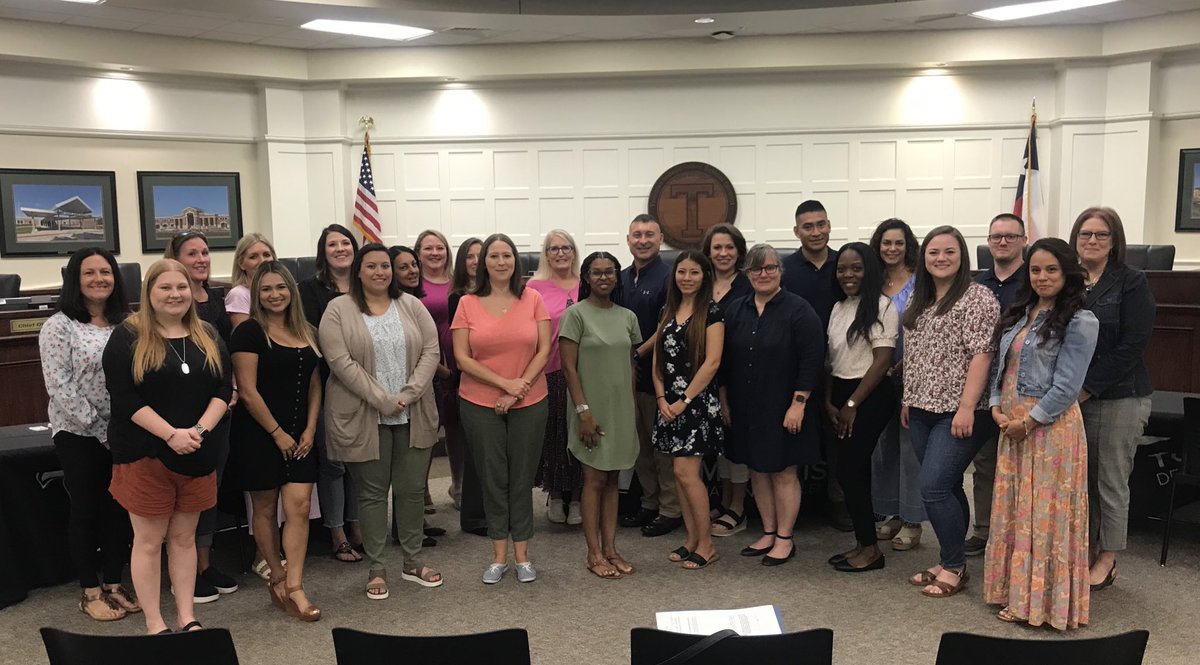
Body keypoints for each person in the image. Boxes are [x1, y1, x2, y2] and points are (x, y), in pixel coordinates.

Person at [102, 259, 233, 634]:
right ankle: (155, 622)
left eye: (181, 287)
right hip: (146, 455)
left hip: (196, 454)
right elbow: (123, 398)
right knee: (148, 541)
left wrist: (198, 431)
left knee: (183, 539)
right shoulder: (128, 335)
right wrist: (170, 435)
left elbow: (223, 388)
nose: (175, 294)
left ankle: (187, 616)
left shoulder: (206, 332)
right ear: (149, 292)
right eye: (165, 288)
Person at [983, 238, 1098, 630]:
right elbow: (1003, 366)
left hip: (1049, 431)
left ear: (1067, 272)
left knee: (1045, 517)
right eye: (1035, 270)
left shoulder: (1082, 320)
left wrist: (1028, 421)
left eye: (1051, 269)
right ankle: (1012, 591)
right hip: (1012, 426)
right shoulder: (1021, 314)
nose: (1043, 277)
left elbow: (1067, 387)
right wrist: (996, 406)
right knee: (1017, 512)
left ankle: (1042, 603)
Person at [319, 244, 444, 599]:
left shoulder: (411, 305)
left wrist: (408, 393)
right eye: (371, 266)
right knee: (372, 494)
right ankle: (376, 568)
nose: (379, 272)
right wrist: (382, 399)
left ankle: (413, 561)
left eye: (385, 266)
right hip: (364, 416)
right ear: (358, 270)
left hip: (413, 411)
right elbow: (339, 361)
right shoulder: (338, 309)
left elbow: (431, 351)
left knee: (410, 490)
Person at [40, 248, 139, 622]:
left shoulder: (127, 323)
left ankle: (114, 582)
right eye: (89, 273)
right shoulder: (59, 325)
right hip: (78, 434)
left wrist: (122, 430)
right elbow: (60, 386)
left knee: (119, 509)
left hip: (124, 432)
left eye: (106, 272)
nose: (99, 278)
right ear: (75, 280)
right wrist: (102, 432)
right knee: (86, 511)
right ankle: (91, 590)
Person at [902, 226, 999, 598]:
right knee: (948, 485)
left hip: (959, 412)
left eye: (949, 252)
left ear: (962, 258)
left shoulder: (978, 298)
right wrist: (907, 400)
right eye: (933, 252)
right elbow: (916, 355)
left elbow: (983, 354)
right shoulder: (920, 297)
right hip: (921, 407)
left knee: (933, 486)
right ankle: (948, 559)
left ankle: (955, 565)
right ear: (924, 258)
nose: (940, 258)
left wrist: (966, 408)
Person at [452, 233, 551, 584]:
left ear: (515, 261)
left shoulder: (533, 298)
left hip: (530, 400)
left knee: (521, 478)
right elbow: (462, 358)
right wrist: (504, 385)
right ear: (483, 263)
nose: (500, 262)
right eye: (493, 256)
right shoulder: (467, 303)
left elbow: (543, 349)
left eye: (506, 255)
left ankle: (522, 556)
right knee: (493, 478)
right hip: (479, 401)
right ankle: (498, 556)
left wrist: (518, 387)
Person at [229, 262, 323, 621]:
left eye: (280, 287)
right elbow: (248, 392)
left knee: (298, 506)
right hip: (260, 433)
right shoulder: (249, 333)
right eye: (266, 289)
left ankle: (296, 586)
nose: (274, 295)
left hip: (301, 435)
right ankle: (278, 577)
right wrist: (277, 433)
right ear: (257, 294)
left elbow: (316, 384)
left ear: (291, 291)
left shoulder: (307, 330)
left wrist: (311, 428)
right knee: (265, 508)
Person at [721, 245, 823, 568]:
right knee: (756, 469)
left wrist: (799, 403)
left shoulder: (799, 310)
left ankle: (785, 538)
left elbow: (812, 359)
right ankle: (767, 531)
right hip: (746, 405)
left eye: (770, 268)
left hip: (785, 406)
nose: (763, 275)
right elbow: (724, 360)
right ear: (747, 274)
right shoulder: (736, 310)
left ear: (780, 271)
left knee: (783, 471)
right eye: (756, 269)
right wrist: (724, 399)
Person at [1070, 206, 1156, 591]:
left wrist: (1087, 389)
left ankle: (1107, 559)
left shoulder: (1131, 281)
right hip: (1071, 399)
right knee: (1078, 481)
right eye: (1085, 233)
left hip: (1118, 396)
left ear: (1114, 241)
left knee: (1110, 481)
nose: (1092, 241)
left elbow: (1133, 344)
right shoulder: (1068, 280)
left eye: (1101, 235)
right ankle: (1082, 552)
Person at [163, 230, 237, 602]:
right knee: (176, 495)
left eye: (205, 252)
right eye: (192, 253)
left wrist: (232, 388)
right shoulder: (164, 302)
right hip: (175, 420)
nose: (201, 259)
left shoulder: (220, 300)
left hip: (217, 412)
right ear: (175, 259)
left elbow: (229, 353)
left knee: (209, 491)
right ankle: (179, 568)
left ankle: (203, 564)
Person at [559, 251, 642, 578]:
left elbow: (631, 366)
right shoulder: (575, 315)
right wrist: (583, 412)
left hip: (620, 409)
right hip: (588, 409)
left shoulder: (628, 317)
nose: (604, 277)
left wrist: (632, 410)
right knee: (594, 479)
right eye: (597, 272)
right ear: (586, 277)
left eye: (610, 272)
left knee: (612, 480)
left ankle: (611, 549)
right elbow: (568, 367)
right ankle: (593, 554)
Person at [824, 243, 899, 572]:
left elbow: (882, 362)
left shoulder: (883, 307)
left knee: (850, 471)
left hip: (869, 395)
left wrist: (852, 404)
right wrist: (830, 401)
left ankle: (871, 551)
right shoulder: (838, 307)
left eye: (856, 268)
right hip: (841, 393)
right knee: (850, 472)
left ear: (869, 269)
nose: (848, 274)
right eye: (842, 268)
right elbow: (831, 361)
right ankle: (862, 543)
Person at [652, 251, 726, 570]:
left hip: (694, 404)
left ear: (704, 276)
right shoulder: (667, 310)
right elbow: (657, 361)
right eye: (682, 272)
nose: (687, 278)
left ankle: (707, 544)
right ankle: (691, 539)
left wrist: (683, 400)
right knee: (678, 475)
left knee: (687, 473)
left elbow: (712, 363)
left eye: (694, 272)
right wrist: (660, 399)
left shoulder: (712, 311)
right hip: (667, 404)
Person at [780, 199, 850, 532]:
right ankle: (796, 502)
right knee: (796, 431)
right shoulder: (785, 269)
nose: (816, 231)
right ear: (796, 231)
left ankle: (838, 500)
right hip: (798, 368)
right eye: (808, 226)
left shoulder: (845, 264)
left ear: (829, 226)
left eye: (821, 224)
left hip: (842, 364)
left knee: (838, 435)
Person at [297, 225, 364, 565]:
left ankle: (357, 527)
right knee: (334, 462)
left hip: (367, 386)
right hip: (328, 383)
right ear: (323, 252)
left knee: (358, 461)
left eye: (345, 243)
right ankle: (336, 533)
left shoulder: (368, 283)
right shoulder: (309, 289)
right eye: (332, 244)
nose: (340, 249)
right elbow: (311, 335)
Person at [966, 213, 1028, 558]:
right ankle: (984, 530)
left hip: (1021, 385)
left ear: (1023, 240)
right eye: (996, 237)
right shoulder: (977, 285)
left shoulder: (1033, 281)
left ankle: (1018, 531)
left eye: (1010, 236)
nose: (1002, 242)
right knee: (985, 461)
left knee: (1023, 463)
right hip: (984, 384)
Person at [618, 214, 681, 538]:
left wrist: (637, 353)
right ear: (628, 239)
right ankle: (650, 502)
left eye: (649, 235)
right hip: (627, 379)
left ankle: (671, 509)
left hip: (658, 378)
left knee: (661, 448)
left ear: (660, 240)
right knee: (639, 445)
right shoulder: (622, 277)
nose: (642, 240)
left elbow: (668, 322)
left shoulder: (670, 277)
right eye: (636, 234)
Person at [868, 219, 926, 551]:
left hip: (912, 375)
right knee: (882, 447)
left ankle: (913, 520)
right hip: (876, 375)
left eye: (898, 243)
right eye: (886, 243)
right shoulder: (872, 281)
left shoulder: (922, 283)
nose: (892, 249)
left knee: (910, 448)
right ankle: (890, 512)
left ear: (908, 246)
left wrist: (903, 364)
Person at [527, 229, 583, 525]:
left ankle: (576, 497)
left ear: (574, 251)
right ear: (545, 254)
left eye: (566, 247)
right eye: (553, 248)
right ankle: (556, 494)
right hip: (547, 369)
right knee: (553, 435)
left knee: (577, 433)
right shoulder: (534, 287)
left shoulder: (586, 283)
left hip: (582, 371)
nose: (560, 253)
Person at [702, 223, 752, 537]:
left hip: (738, 375)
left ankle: (738, 506)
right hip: (703, 376)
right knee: (715, 442)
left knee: (736, 440)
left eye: (729, 247)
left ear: (739, 251)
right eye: (717, 248)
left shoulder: (748, 284)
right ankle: (722, 498)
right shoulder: (700, 282)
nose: (723, 253)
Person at [416, 229, 462, 517]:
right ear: (418, 252)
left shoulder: (459, 282)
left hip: (458, 359)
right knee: (427, 430)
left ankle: (457, 484)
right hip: (427, 364)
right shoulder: (411, 283)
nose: (435, 253)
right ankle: (421, 488)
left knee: (456, 428)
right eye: (428, 248)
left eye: (440, 248)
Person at [448, 237, 485, 534]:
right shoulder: (458, 298)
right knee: (474, 451)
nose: (475, 260)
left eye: (480, 255)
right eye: (469, 256)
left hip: (505, 380)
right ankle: (474, 515)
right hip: (472, 377)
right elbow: (464, 347)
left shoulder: (505, 294)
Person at [225, 233, 277, 330]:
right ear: (241, 264)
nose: (262, 261)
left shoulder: (281, 291)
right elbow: (244, 337)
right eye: (253, 257)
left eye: (266, 255)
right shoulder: (239, 294)